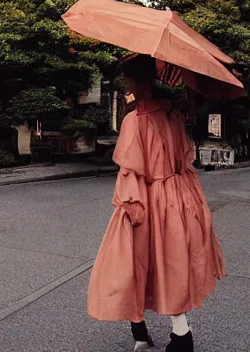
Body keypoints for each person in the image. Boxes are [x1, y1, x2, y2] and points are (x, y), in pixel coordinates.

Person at [87, 54, 225, 352]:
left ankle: (162, 332)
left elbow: (131, 172)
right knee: (171, 262)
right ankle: (163, 331)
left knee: (133, 262)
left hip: (148, 199)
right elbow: (185, 159)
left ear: (134, 80)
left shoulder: (134, 120)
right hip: (181, 196)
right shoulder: (172, 114)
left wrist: (130, 209)